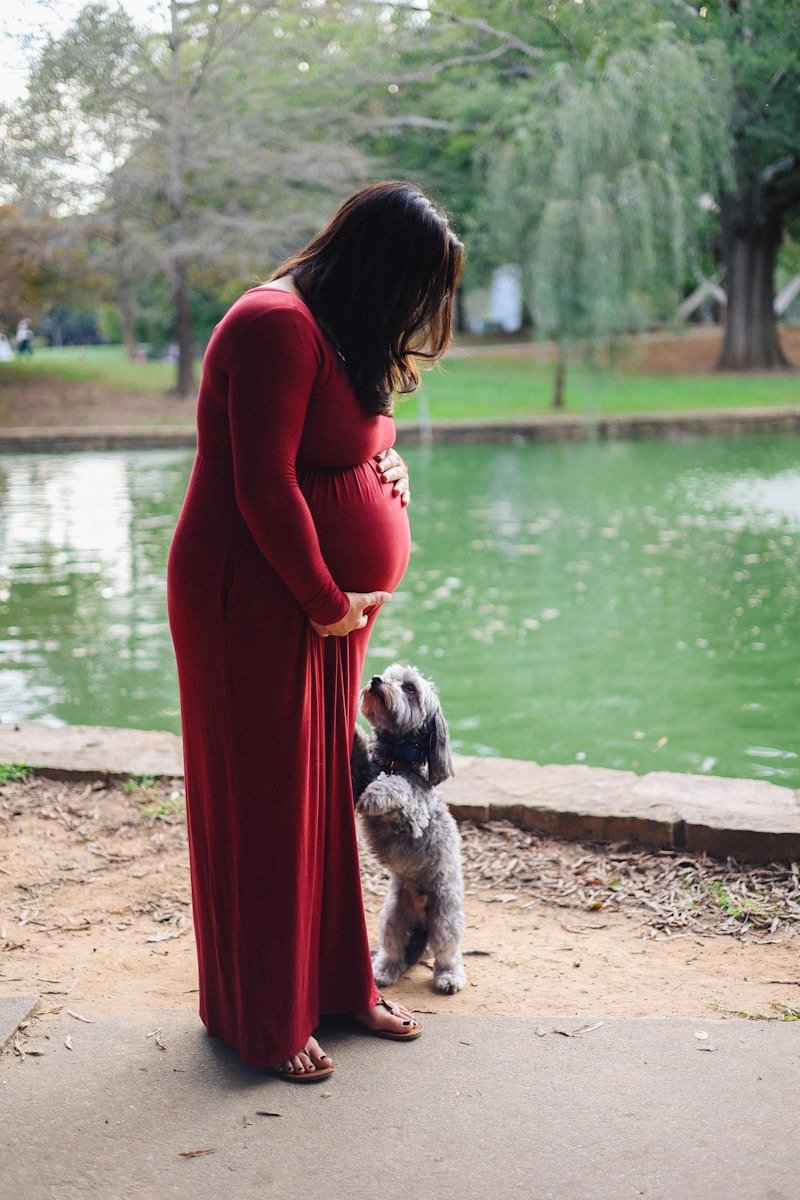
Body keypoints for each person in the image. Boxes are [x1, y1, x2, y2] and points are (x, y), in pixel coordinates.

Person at [167, 180, 464, 1081]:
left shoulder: (335, 332)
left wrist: (388, 461)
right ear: (379, 272)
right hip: (251, 598)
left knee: (324, 796)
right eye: (417, 291)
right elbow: (263, 484)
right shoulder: (274, 326)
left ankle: (336, 987)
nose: (423, 314)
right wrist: (325, 597)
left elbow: (336, 438)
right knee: (265, 806)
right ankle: (265, 1018)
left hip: (318, 604)